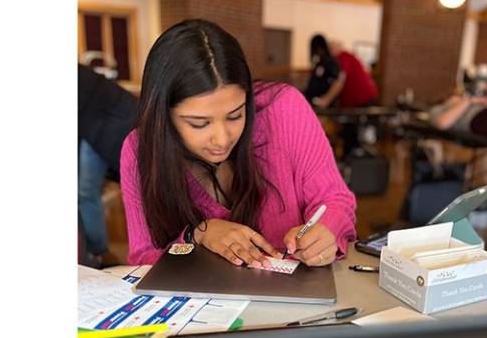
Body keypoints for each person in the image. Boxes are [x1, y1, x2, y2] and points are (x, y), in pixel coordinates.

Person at [120, 19, 357, 268]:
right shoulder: (140, 150)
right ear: (163, 116)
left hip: (295, 298)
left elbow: (336, 199)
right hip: (205, 305)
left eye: (235, 115)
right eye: (199, 124)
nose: (222, 139)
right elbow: (143, 259)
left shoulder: (283, 109)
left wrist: (327, 229)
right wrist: (197, 235)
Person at [78, 63, 138, 267]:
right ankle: (100, 253)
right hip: (100, 127)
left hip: (107, 129)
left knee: (86, 194)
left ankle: (99, 254)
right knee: (86, 194)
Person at [302, 34, 344, 109]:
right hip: (314, 100)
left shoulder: (329, 60)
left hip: (323, 104)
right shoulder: (321, 61)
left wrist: (326, 99)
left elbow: (339, 80)